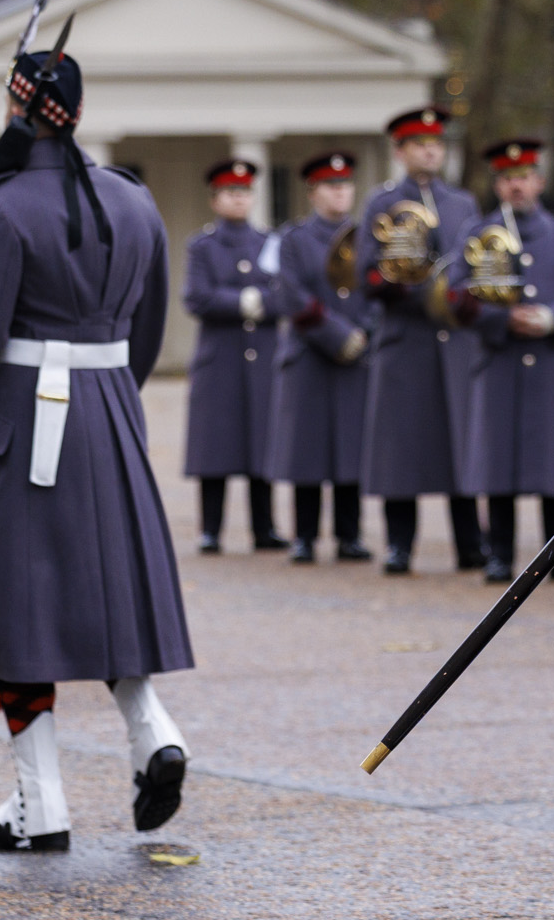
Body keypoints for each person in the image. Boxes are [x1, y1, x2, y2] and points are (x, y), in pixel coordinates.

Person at [0, 44, 194, 850]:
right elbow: (149, 328)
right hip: (108, 406)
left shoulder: (0, 206)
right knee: (108, 591)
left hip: (31, 413)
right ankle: (153, 728)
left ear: (16, 108)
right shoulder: (132, 200)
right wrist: (110, 398)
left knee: (18, 602)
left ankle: (41, 800)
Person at [449, 137, 554, 581]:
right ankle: (500, 553)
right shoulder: (475, 233)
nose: (516, 187)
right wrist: (499, 320)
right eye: (508, 179)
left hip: (550, 358)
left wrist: (552, 318)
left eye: (524, 177)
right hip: (499, 358)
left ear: (540, 181)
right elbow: (456, 297)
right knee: (498, 464)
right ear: (497, 184)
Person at [357, 107, 484, 575]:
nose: (431, 150)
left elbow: (474, 263)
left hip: (454, 340)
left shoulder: (462, 202)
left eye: (436, 143)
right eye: (419, 144)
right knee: (400, 448)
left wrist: (462, 295)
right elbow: (367, 271)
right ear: (401, 151)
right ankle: (399, 544)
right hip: (405, 335)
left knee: (460, 444)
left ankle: (471, 543)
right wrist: (410, 286)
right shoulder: (382, 203)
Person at [269, 151, 373, 564]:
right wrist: (338, 335)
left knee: (350, 449)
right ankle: (305, 536)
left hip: (357, 356)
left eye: (345, 185)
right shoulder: (294, 239)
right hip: (310, 354)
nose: (340, 193)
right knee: (307, 452)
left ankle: (350, 535)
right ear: (313, 192)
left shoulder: (367, 238)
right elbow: (293, 296)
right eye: (331, 186)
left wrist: (364, 331)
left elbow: (377, 291)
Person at [181, 157, 284, 554]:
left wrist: (258, 302)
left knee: (261, 446)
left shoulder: (269, 243)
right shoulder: (203, 245)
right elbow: (198, 296)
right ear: (215, 199)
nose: (239, 199)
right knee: (215, 450)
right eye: (231, 192)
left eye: (244, 192)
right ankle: (211, 528)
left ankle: (265, 527)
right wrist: (249, 300)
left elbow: (284, 295)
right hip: (220, 360)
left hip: (262, 359)